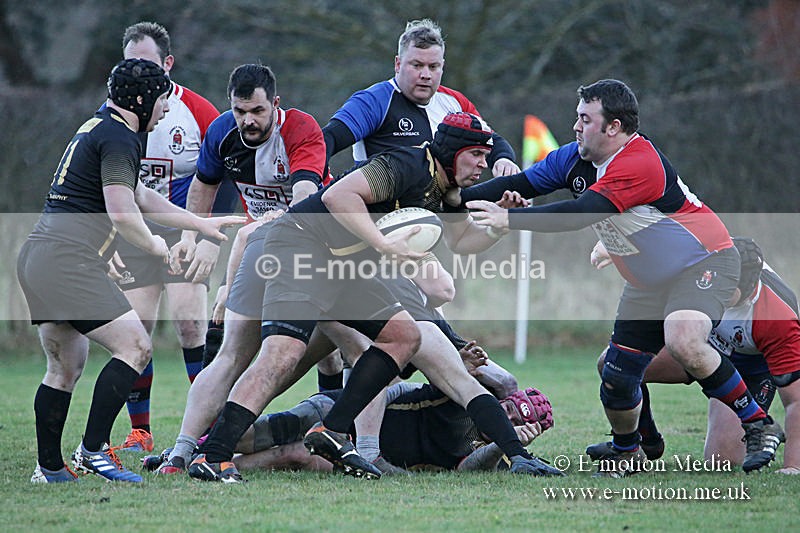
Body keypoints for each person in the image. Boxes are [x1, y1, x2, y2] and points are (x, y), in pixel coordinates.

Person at [185, 112, 561, 482]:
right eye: (478, 154)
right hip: (301, 243)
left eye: (486, 155)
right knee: (282, 355)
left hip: (344, 265)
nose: (484, 164)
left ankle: (331, 431)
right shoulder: (408, 162)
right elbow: (337, 195)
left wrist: (501, 227)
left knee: (403, 336)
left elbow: (462, 242)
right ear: (454, 151)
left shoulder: (445, 190)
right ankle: (213, 455)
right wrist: (383, 245)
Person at [452, 79, 781, 476]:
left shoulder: (639, 162)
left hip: (705, 261)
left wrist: (510, 218)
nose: (576, 127)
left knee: (684, 339)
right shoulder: (573, 158)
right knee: (617, 375)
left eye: (585, 119)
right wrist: (450, 197)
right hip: (648, 280)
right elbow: (518, 183)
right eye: (577, 117)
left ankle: (758, 423)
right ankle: (630, 449)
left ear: (613, 127)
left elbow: (583, 212)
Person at [19, 58, 244, 484]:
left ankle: (49, 469)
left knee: (64, 367)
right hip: (67, 262)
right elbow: (123, 215)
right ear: (140, 101)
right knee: (136, 347)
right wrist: (157, 246)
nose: (163, 110)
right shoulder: (120, 137)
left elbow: (141, 196)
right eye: (160, 101)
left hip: (40, 257)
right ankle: (92, 452)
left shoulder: (98, 127)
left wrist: (199, 224)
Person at [154, 63, 327, 473]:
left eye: (257, 111)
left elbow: (306, 196)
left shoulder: (302, 130)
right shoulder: (221, 133)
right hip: (259, 248)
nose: (248, 120)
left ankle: (338, 435)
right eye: (240, 111)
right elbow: (203, 187)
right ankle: (182, 451)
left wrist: (258, 231)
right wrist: (192, 238)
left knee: (333, 352)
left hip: (304, 244)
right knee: (232, 354)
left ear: (275, 104)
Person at [590, 236, 800, 473]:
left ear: (747, 287)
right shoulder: (703, 265)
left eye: (726, 285)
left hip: (749, 367)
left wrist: (793, 466)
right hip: (701, 346)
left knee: (721, 461)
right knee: (614, 363)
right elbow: (658, 238)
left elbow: (795, 399)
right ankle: (642, 443)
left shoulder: (777, 318)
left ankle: (763, 428)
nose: (716, 288)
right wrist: (615, 245)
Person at [111, 21, 221, 453]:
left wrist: (204, 234)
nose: (138, 73)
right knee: (136, 331)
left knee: (191, 323)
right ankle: (140, 431)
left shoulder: (197, 111)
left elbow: (225, 173)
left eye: (148, 64)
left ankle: (205, 425)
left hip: (183, 233)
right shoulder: (114, 115)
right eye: (130, 64)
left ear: (168, 64)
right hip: (135, 232)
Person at [323, 18, 519, 178]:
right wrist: (309, 180)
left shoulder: (455, 102)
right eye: (417, 65)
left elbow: (492, 140)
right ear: (398, 64)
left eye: (433, 67)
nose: (426, 75)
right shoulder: (373, 101)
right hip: (385, 215)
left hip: (444, 210)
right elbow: (326, 140)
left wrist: (503, 159)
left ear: (442, 66)